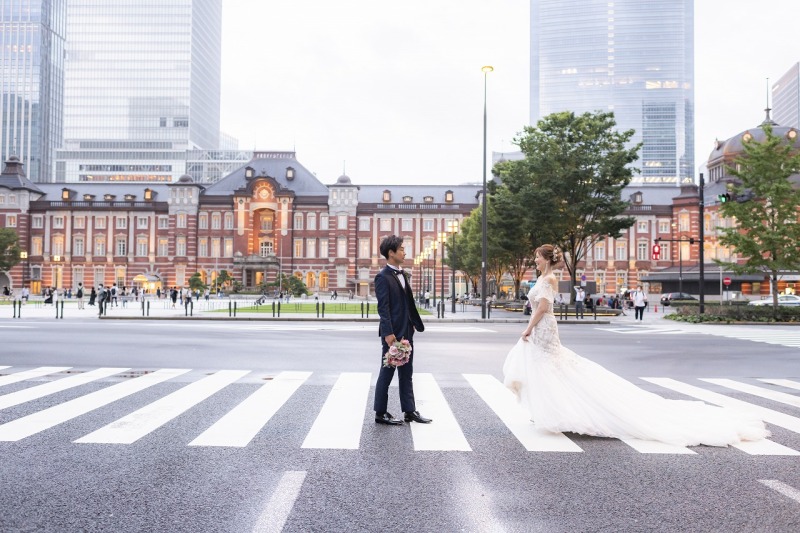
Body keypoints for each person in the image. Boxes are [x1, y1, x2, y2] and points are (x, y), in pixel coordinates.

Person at [502, 244, 769, 447]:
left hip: (544, 327)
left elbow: (546, 306)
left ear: (547, 258)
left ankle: (555, 412)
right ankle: (549, 411)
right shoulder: (542, 279)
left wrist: (528, 327)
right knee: (549, 368)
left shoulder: (548, 280)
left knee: (550, 367)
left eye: (537, 256)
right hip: (541, 328)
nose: (534, 260)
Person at [373, 235, 429, 426]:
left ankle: (409, 410)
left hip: (407, 330)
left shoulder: (402, 273)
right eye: (402, 249)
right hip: (392, 334)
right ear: (391, 253)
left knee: (407, 372)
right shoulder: (382, 277)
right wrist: (388, 333)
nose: (405, 252)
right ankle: (380, 412)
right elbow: (384, 307)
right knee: (387, 372)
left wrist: (412, 322)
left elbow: (407, 302)